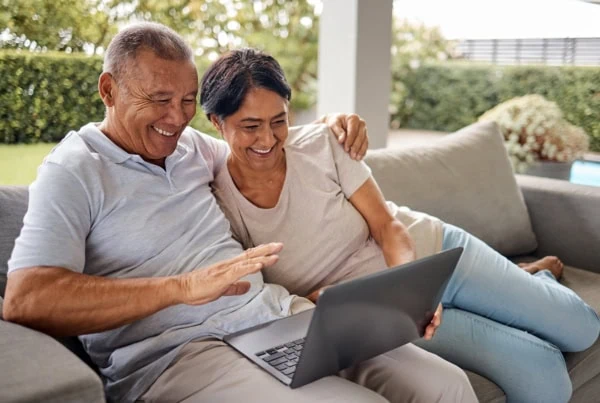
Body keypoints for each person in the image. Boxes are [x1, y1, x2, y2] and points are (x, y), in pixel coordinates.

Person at [1, 22, 474, 403]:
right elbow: (27, 299)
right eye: (159, 100)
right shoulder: (75, 169)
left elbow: (257, 141)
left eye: (187, 100)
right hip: (179, 356)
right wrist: (183, 288)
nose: (175, 117)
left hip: (274, 317)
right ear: (108, 90)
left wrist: (332, 126)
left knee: (446, 384)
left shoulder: (189, 148)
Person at [207, 48, 600, 403]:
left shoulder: (322, 143)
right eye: (250, 126)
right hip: (382, 313)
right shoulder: (214, 203)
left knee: (583, 329)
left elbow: (386, 225)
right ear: (215, 123)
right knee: (545, 380)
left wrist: (411, 293)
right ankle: (527, 278)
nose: (269, 139)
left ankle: (535, 280)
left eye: (279, 120)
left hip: (431, 255)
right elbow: (261, 298)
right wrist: (329, 301)